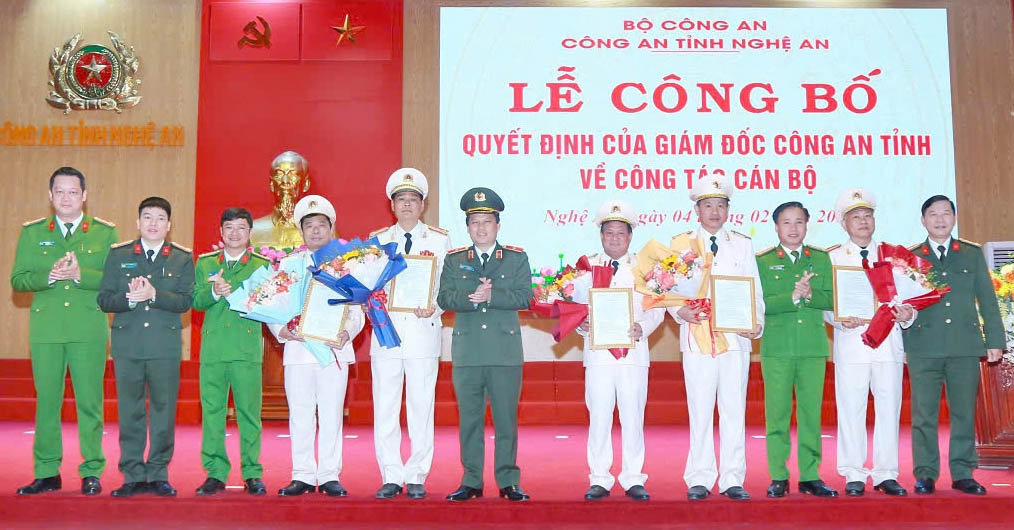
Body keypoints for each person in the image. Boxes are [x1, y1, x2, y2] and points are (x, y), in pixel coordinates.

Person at [11, 166, 118, 496]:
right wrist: (50, 277)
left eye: (73, 192)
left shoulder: (104, 233)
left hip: (88, 329)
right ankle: (46, 472)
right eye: (59, 191)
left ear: (84, 196)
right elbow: (18, 280)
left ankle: (92, 470)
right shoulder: (32, 233)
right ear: (50, 195)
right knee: (47, 403)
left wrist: (79, 275)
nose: (66, 198)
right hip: (47, 330)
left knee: (89, 403)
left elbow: (115, 281)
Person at [667, 176, 764, 501]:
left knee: (734, 409)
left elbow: (754, 289)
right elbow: (667, 289)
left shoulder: (742, 244)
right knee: (700, 409)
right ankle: (700, 477)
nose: (714, 211)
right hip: (697, 339)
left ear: (728, 210)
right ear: (697, 210)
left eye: (720, 205)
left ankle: (733, 478)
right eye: (708, 205)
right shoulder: (681, 244)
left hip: (735, 340)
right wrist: (680, 312)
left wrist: (756, 322)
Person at [903, 194, 1004, 495]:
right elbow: (902, 303)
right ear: (923, 220)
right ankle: (925, 473)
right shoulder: (910, 257)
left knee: (963, 412)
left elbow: (987, 300)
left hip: (964, 346)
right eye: (933, 214)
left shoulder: (971, 254)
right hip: (924, 346)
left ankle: (962, 473)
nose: (940, 219)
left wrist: (995, 341)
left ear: (954, 218)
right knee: (924, 414)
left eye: (946, 213)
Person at [437, 187, 533, 502]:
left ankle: (508, 481)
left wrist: (493, 295)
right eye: (475, 222)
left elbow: (526, 297)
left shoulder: (516, 258)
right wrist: (470, 298)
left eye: (487, 222)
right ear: (467, 226)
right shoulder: (454, 260)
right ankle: (471, 481)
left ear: (498, 225)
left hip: (504, 352)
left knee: (506, 420)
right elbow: (444, 298)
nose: (481, 228)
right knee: (470, 421)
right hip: (468, 352)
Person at [268, 194, 365, 497]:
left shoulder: (347, 264)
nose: (315, 230)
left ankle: (329, 474)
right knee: (300, 414)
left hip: (333, 351)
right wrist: (282, 330)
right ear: (301, 230)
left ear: (331, 228)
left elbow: (357, 309)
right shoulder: (288, 265)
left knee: (332, 414)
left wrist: (348, 332)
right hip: (298, 351)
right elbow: (272, 306)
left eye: (321, 225)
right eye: (309, 225)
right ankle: (303, 475)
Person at [98, 196, 194, 497]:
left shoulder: (181, 258)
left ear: (169, 225)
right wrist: (128, 300)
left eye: (160, 218)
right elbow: (104, 299)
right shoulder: (119, 254)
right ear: (138, 222)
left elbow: (185, 301)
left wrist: (154, 295)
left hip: (164, 347)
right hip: (128, 345)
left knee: (164, 411)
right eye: (148, 217)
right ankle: (132, 474)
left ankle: (158, 472)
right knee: (130, 412)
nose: (153, 224)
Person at [367, 168, 451, 500]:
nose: (406, 205)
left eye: (413, 199)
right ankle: (390, 474)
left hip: (422, 332)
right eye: (400, 199)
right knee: (385, 406)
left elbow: (447, 286)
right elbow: (367, 285)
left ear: (422, 205)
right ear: (392, 205)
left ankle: (416, 473)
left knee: (421, 406)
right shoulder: (377, 240)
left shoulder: (440, 240)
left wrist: (435, 307)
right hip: (386, 333)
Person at [825, 188, 911, 497]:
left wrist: (908, 314)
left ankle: (886, 473)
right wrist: (838, 319)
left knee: (889, 407)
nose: (863, 222)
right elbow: (826, 303)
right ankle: (853, 472)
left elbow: (911, 298)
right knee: (851, 409)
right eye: (855, 217)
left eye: (867, 216)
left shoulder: (894, 256)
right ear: (843, 224)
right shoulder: (833, 258)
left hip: (888, 344)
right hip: (852, 343)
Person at [578, 200, 664, 501]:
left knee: (633, 417)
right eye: (609, 233)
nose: (615, 238)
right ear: (601, 235)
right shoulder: (586, 268)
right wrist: (582, 325)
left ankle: (633, 477)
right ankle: (599, 478)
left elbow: (657, 309)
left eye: (621, 233)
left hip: (633, 353)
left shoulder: (645, 269)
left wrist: (644, 327)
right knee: (599, 417)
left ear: (630, 236)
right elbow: (575, 310)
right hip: (598, 355)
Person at [756, 201, 837, 498]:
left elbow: (832, 298)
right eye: (786, 222)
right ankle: (778, 474)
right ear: (776, 227)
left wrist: (811, 294)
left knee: (810, 414)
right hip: (777, 348)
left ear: (807, 224)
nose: (793, 228)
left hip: (812, 347)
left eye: (799, 222)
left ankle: (810, 475)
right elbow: (758, 302)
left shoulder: (821, 258)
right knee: (777, 414)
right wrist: (791, 296)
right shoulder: (762, 261)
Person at [192, 208, 270, 496]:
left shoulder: (262, 266)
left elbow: (267, 304)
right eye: (229, 227)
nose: (234, 233)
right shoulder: (205, 263)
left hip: (245, 350)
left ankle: (252, 473)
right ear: (221, 232)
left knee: (249, 414)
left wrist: (237, 293)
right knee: (212, 413)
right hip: (213, 350)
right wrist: (214, 293)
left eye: (241, 228)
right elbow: (195, 300)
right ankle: (215, 472)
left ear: (250, 233)